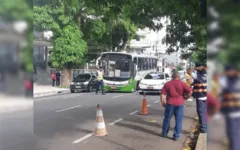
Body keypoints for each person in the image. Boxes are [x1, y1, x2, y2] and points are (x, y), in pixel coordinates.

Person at [160, 71, 192, 141]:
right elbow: (190, 92)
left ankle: (164, 133)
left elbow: (162, 93)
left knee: (167, 118)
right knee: (178, 120)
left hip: (170, 103)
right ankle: (176, 136)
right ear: (179, 77)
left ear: (172, 76)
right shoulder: (182, 84)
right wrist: (187, 97)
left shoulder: (168, 84)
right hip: (179, 103)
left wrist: (162, 102)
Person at [220, 65, 240, 150]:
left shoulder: (225, 81)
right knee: (235, 134)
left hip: (232, 111)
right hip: (234, 111)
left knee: (232, 134)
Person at [192, 62, 207, 133]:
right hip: (206, 95)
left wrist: (195, 69)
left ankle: (203, 128)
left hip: (200, 95)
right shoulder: (207, 74)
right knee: (205, 111)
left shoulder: (198, 75)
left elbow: (191, 73)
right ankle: (205, 126)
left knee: (201, 112)